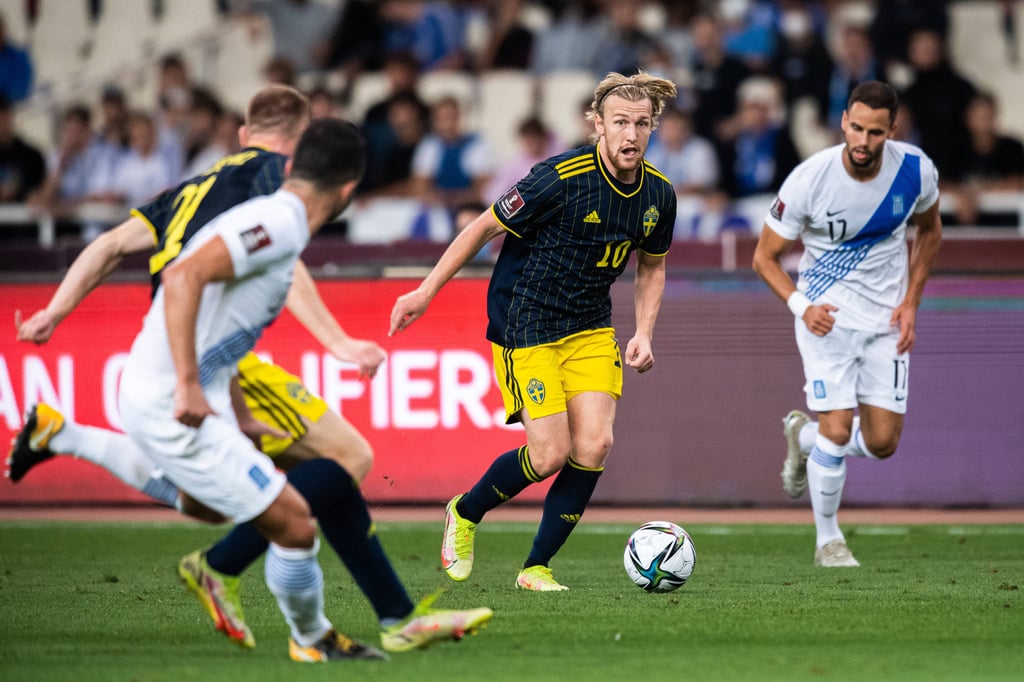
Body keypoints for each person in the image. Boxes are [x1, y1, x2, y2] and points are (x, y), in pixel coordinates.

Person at [115, 116, 492, 661]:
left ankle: (396, 619)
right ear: (348, 191)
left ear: (292, 167)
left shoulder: (278, 225)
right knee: (292, 521)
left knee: (339, 469)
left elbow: (223, 325)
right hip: (167, 400)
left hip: (198, 396)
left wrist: (239, 408)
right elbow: (181, 278)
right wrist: (189, 385)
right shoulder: (279, 222)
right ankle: (266, 604)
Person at [389, 71, 678, 591]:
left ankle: (536, 568)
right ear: (598, 126)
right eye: (620, 123)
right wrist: (424, 291)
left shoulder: (659, 195)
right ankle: (465, 510)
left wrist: (645, 332)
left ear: (652, 127)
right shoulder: (558, 178)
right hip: (527, 320)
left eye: (641, 124)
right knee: (548, 455)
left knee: (594, 445)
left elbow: (652, 267)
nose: (631, 135)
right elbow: (482, 227)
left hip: (589, 325)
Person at [751, 81, 943, 567]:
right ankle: (828, 540)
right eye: (855, 128)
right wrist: (801, 306)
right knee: (837, 428)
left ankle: (804, 439)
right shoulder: (808, 180)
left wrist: (912, 302)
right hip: (825, 319)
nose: (863, 140)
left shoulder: (915, 171)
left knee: (882, 443)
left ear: (892, 130)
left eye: (875, 132)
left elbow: (930, 228)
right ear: (843, 122)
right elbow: (764, 258)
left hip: (885, 322)